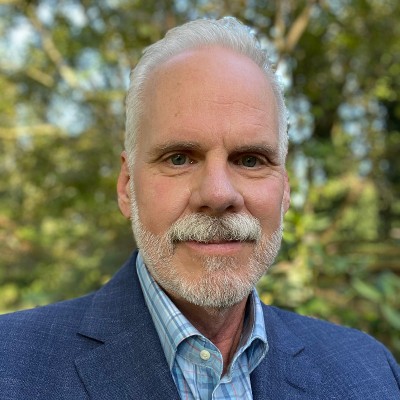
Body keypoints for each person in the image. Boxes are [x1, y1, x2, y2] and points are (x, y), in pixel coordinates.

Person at [0, 17, 399, 400]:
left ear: (285, 191)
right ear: (126, 187)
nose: (218, 194)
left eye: (250, 160)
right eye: (179, 158)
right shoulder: (11, 366)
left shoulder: (369, 373)